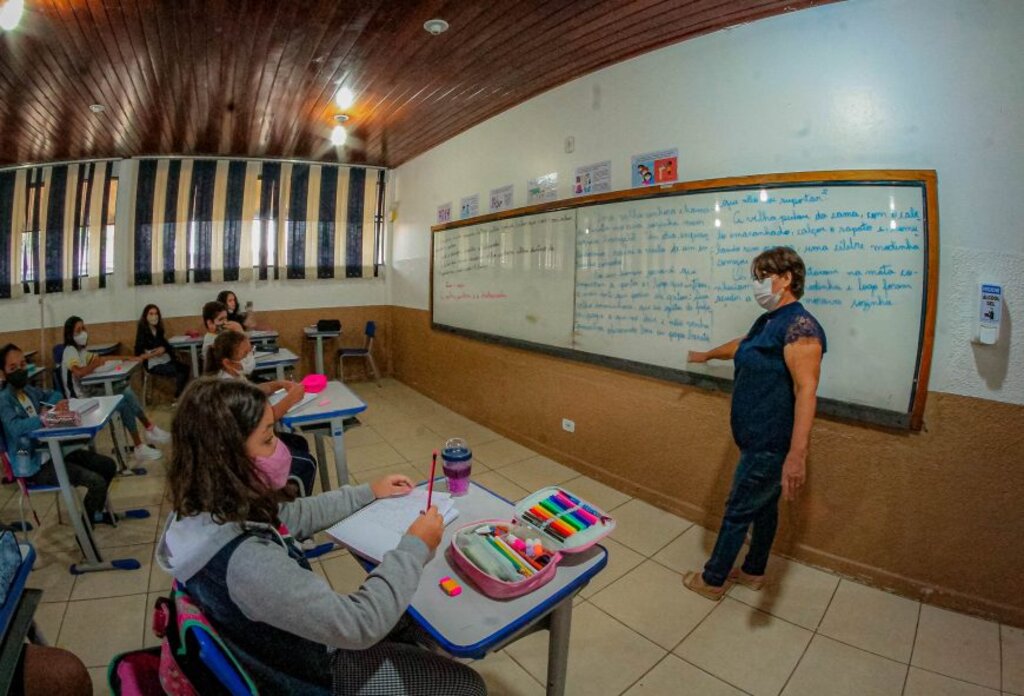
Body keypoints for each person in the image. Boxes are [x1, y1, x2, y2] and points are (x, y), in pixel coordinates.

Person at [156, 378, 486, 695]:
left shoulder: (203, 510)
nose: (280, 449)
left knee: (410, 613)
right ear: (225, 457)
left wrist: (368, 492)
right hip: (311, 674)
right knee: (466, 685)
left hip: (285, 648)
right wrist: (414, 546)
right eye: (268, 438)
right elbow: (359, 625)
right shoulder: (247, 562)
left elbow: (294, 515)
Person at [683, 246, 826, 600]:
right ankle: (754, 571)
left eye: (764, 276)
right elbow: (743, 345)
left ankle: (713, 579)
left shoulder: (801, 326)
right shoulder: (769, 321)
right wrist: (706, 355)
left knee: (738, 509)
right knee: (763, 509)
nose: (757, 284)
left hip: (770, 442)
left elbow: (807, 390)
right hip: (756, 439)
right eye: (757, 277)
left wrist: (797, 454)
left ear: (787, 278)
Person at [0, 344, 118, 524]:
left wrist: (56, 406)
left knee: (108, 465)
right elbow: (16, 428)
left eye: (23, 365)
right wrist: (44, 417)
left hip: (51, 450)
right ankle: (85, 534)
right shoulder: (4, 401)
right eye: (13, 368)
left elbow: (53, 394)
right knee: (96, 482)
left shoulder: (28, 391)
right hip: (31, 463)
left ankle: (92, 514)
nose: (20, 370)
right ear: (2, 373)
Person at [207, 330, 316, 496]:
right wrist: (291, 399)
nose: (250, 356)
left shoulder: (233, 376)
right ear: (228, 363)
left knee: (299, 442)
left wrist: (277, 384)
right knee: (308, 464)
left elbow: (255, 391)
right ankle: (290, 511)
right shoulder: (227, 387)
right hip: (240, 456)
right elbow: (262, 421)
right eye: (245, 354)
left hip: (247, 443)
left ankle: (284, 491)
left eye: (251, 350)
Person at [59, 316, 167, 463]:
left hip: (90, 393)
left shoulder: (82, 352)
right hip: (79, 400)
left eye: (84, 328)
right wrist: (95, 364)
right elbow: (78, 372)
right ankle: (142, 441)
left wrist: (130, 358)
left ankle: (147, 432)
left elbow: (104, 358)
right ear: (70, 334)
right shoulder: (69, 351)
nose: (83, 333)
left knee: (125, 391)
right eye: (78, 330)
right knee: (122, 400)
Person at [134, 303, 190, 400]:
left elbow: (166, 345)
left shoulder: (158, 330)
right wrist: (156, 353)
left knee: (185, 368)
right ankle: (178, 397)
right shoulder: (142, 333)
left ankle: (180, 395)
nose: (154, 317)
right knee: (181, 372)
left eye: (156, 314)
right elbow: (139, 356)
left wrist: (164, 349)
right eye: (151, 314)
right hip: (153, 364)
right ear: (145, 316)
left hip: (164, 359)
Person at [201, 300, 243, 367]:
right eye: (221, 319)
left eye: (226, 318)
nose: (225, 322)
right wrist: (239, 332)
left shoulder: (220, 335)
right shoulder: (213, 340)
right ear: (210, 323)